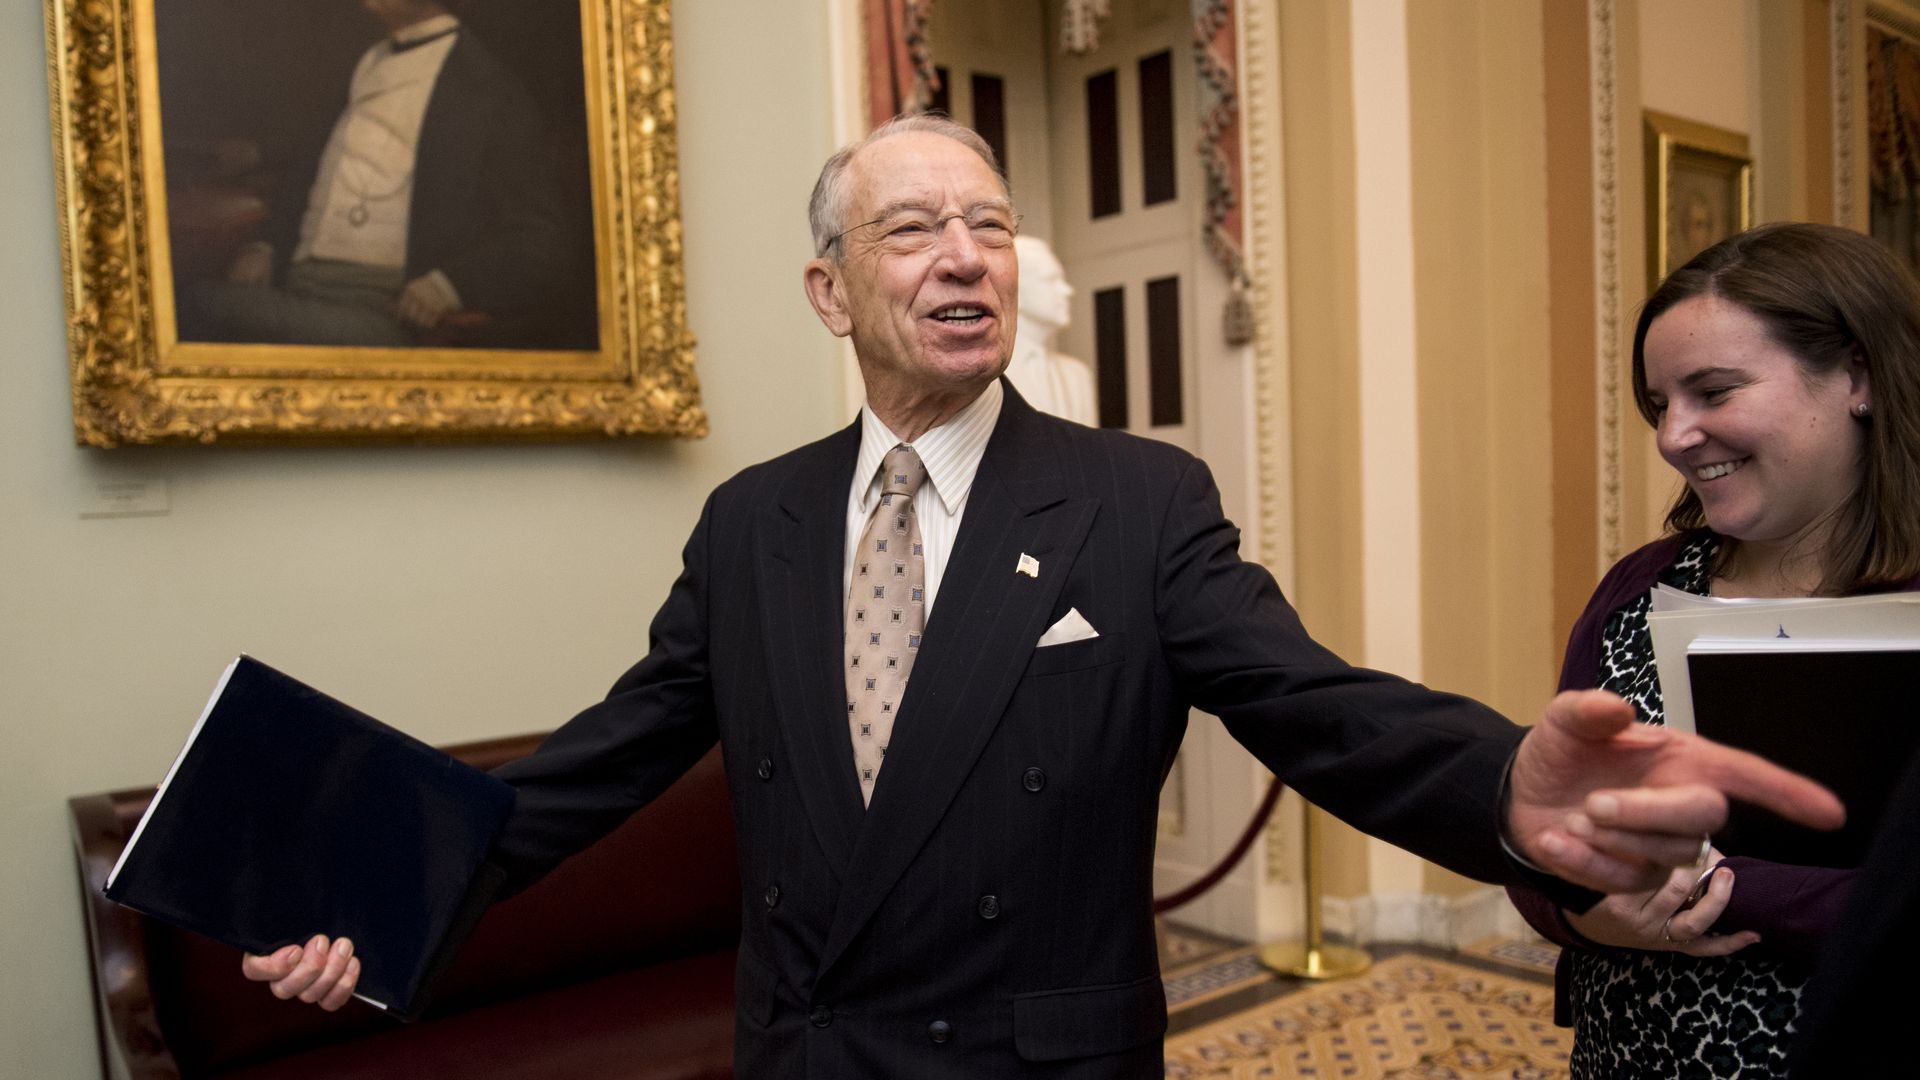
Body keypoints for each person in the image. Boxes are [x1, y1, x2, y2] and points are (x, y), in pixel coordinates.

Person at [242, 117, 1841, 1078]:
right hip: (807, 1058)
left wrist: (1504, 781)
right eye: (914, 228)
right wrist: (378, 897)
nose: (964, 257)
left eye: (989, 226)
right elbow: (603, 762)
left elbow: (1312, 702)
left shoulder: (1136, 501)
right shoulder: (751, 524)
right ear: (831, 289)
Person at [1507, 222, 1920, 1077]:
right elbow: (1546, 851)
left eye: (1714, 391)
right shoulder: (1637, 589)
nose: (1673, 436)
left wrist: (1704, 884)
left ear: (1859, 374)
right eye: (1661, 404)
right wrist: (1586, 910)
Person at [180, 0, 572, 349]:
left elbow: (541, 239)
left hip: (381, 311)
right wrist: (266, 246)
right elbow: (309, 172)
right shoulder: (365, 62)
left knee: (193, 304)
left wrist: (449, 286)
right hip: (292, 285)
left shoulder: (491, 91)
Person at [1005, 235, 1097, 425]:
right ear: (1016, 291)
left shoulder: (1077, 375)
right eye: (1051, 280)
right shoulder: (990, 377)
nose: (1067, 290)